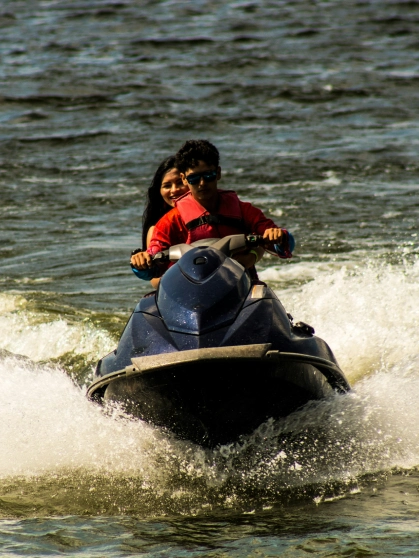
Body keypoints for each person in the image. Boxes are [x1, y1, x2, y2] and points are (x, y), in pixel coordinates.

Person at [131, 139, 294, 278]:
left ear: (218, 173)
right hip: (191, 292)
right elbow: (153, 257)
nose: (202, 183)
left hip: (240, 287)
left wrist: (277, 236)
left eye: (208, 176)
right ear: (185, 179)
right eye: (194, 178)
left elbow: (283, 244)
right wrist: (142, 261)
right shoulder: (170, 221)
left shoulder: (243, 210)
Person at [131, 155, 189, 287]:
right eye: (167, 186)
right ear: (160, 192)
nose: (174, 190)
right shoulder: (156, 229)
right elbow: (155, 281)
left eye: (179, 182)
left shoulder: (208, 215)